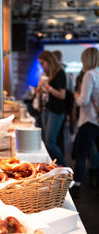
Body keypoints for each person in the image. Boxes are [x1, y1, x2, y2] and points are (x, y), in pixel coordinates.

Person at [72, 47, 99, 189]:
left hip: (89, 120)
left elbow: (84, 101)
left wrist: (76, 96)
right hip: (97, 120)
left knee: (81, 155)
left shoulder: (89, 74)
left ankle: (76, 184)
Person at [38, 50, 66, 166]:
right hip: (47, 108)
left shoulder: (60, 73)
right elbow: (45, 92)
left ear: (49, 61)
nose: (41, 66)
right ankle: (54, 168)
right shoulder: (48, 73)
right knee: (47, 140)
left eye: (42, 63)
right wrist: (41, 87)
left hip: (56, 110)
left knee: (50, 142)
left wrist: (48, 87)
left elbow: (62, 95)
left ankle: (64, 168)